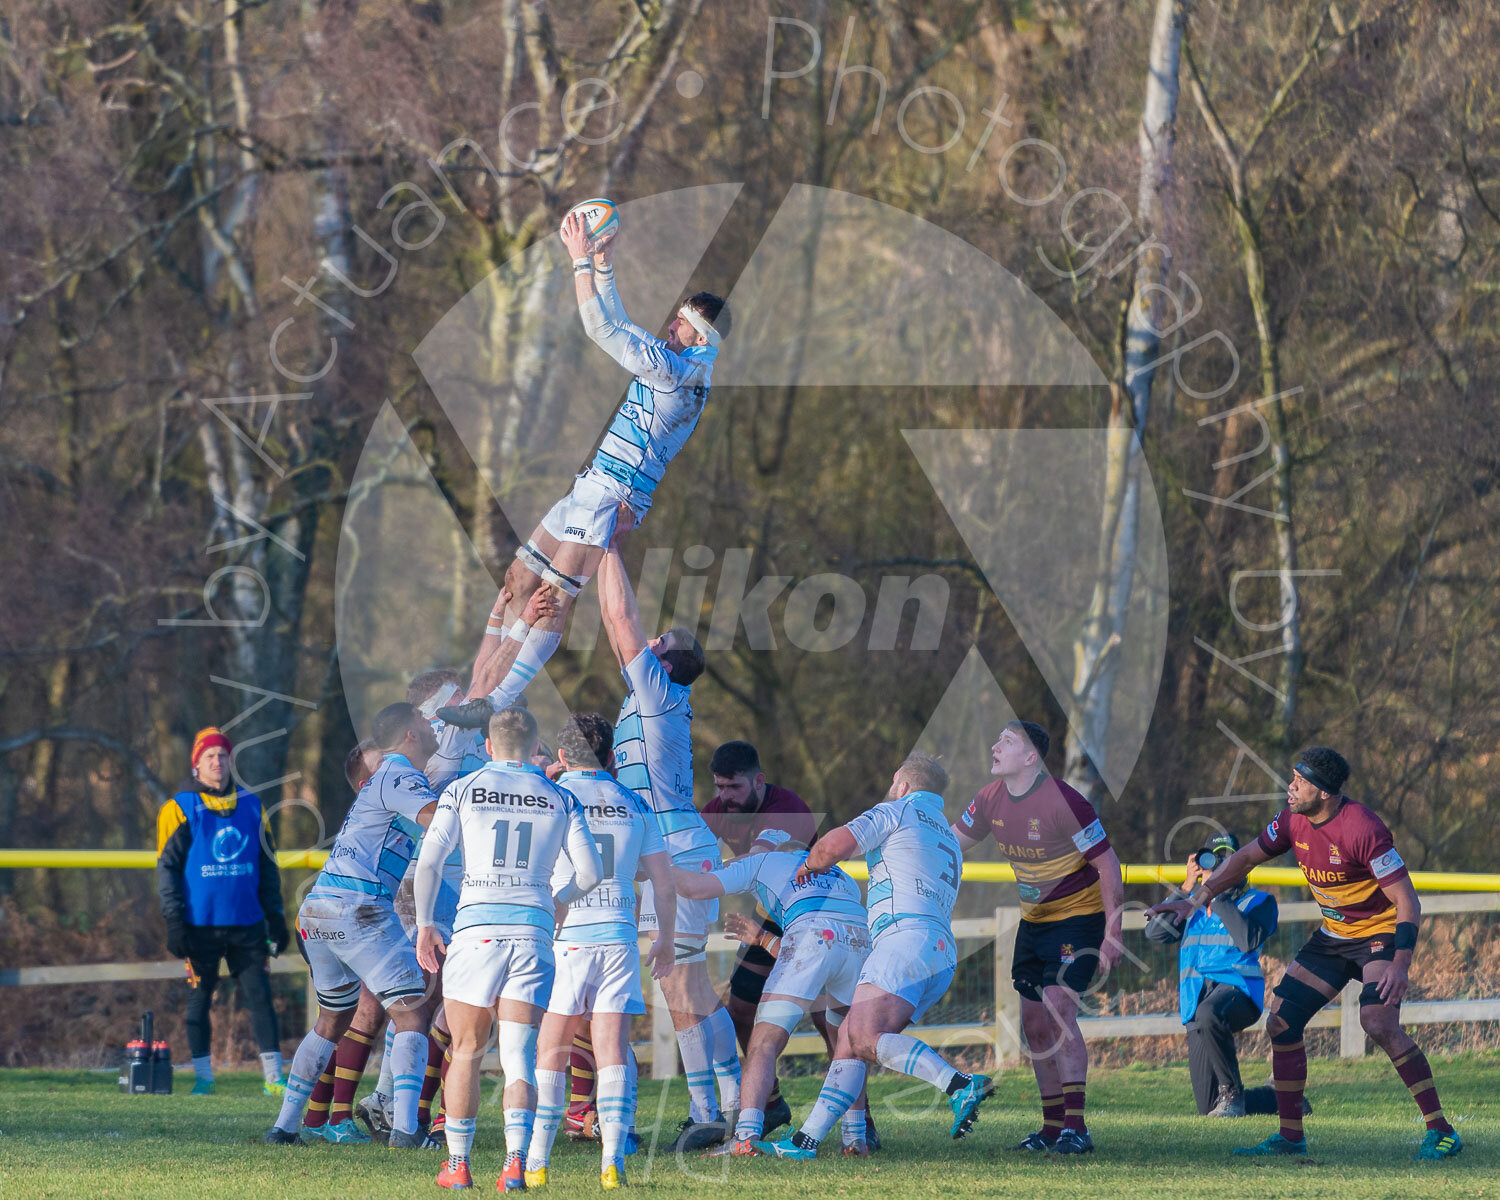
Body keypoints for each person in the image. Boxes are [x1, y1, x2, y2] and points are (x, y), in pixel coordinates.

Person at [438, 215, 731, 728]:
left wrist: (578, 259)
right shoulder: (674, 360)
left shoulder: (678, 373)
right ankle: (480, 688)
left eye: (681, 321)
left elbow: (602, 329)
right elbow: (620, 323)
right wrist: (603, 264)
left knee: (551, 598)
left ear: (701, 333)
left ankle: (494, 701)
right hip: (592, 484)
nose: (671, 324)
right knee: (518, 580)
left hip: (612, 497)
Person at [1148, 746, 1462, 1160]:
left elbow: (1408, 902)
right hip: (1334, 936)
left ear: (1326, 792)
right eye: (1292, 777)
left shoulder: (1363, 827)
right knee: (1280, 1022)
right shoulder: (1291, 819)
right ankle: (1291, 1136)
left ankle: (1441, 1130)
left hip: (1378, 933)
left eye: (1300, 781)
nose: (1290, 786)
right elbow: (1243, 860)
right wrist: (1193, 901)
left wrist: (1400, 963)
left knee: (1377, 1020)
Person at [759, 753, 992, 1159]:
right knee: (849, 1039)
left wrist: (808, 865)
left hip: (903, 941)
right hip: (939, 952)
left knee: (864, 1038)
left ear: (901, 782)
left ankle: (959, 1084)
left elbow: (832, 845)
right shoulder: (948, 836)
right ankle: (807, 1142)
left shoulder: (895, 810)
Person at [414, 705, 604, 1192]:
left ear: (489, 747)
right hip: (532, 933)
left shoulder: (462, 789)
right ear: (536, 749)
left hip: (477, 929)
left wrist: (423, 924)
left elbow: (430, 861)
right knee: (520, 1057)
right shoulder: (560, 797)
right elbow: (590, 874)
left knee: (467, 1051)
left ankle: (457, 1167)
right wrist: (558, 903)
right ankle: (515, 1165)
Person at [593, 535, 742, 1152]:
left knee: (678, 985)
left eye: (659, 644)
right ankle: (743, 1106)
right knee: (694, 985)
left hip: (676, 850)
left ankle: (711, 1110)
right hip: (677, 845)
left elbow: (621, 619)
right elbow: (614, 623)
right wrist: (604, 554)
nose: (646, 642)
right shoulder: (648, 696)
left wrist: (604, 542)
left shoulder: (656, 689)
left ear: (666, 661)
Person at [264, 703, 441, 1147]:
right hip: (356, 906)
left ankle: (284, 1127)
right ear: (409, 736)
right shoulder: (399, 772)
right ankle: (406, 1131)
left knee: (332, 1019)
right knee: (412, 1011)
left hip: (320, 909)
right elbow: (436, 819)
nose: (431, 724)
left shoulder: (386, 779)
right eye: (423, 721)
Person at [951, 720, 1123, 1155]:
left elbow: (1107, 864)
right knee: (1034, 1024)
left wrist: (1113, 933)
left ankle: (1076, 1129)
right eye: (998, 738)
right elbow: (952, 843)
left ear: (1031, 758)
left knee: (1059, 1009)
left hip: (1077, 920)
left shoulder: (1064, 801)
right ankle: (1051, 1130)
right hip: (1034, 923)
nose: (995, 746)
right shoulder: (989, 798)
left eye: (1006, 741)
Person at [524, 713, 676, 1190]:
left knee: (552, 1048)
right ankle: (612, 1161)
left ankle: (536, 1162)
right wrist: (665, 938)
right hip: (618, 936)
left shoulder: (552, 797)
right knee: (612, 1049)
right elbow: (664, 883)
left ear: (563, 757)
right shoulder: (634, 803)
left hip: (568, 934)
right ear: (612, 757)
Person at [672, 831, 873, 1156]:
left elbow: (694, 887)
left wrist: (651, 860)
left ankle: (746, 1138)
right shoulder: (843, 876)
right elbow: (824, 940)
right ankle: (856, 1140)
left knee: (764, 1043)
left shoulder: (764, 861)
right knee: (847, 1046)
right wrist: (764, 939)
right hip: (859, 942)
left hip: (812, 937)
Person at [157, 726, 289, 1097]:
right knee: (200, 1000)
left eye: (223, 755)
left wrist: (275, 917)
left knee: (261, 997)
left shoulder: (252, 805)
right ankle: (204, 1077)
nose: (218, 761)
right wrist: (174, 921)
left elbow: (267, 868)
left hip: (247, 924)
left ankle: (273, 1078)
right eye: (210, 756)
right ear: (196, 765)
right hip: (200, 927)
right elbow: (167, 871)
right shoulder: (180, 808)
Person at [698, 739, 821, 1135]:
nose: (724, 797)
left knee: (830, 1020)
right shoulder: (717, 810)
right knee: (739, 1010)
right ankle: (771, 1104)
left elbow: (755, 860)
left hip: (815, 915)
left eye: (733, 788)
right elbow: (685, 848)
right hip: (772, 912)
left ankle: (862, 1121)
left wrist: (692, 881)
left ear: (759, 781)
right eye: (718, 787)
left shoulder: (786, 809)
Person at [1144, 832, 1282, 1117]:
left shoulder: (1259, 901)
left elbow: (1248, 939)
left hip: (1238, 991)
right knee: (1207, 1107)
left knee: (1209, 1014)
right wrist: (1187, 886)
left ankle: (1231, 1093)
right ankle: (1276, 1099)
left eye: (1227, 860)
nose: (1219, 865)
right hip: (1196, 1000)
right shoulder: (1191, 905)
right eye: (1213, 860)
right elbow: (1155, 933)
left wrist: (1216, 893)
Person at [303, 739, 386, 1143]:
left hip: (350, 914)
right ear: (365, 783)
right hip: (355, 916)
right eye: (383, 765)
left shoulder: (378, 808)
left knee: (344, 1019)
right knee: (363, 1015)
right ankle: (338, 1120)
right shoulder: (379, 809)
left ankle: (315, 1119)